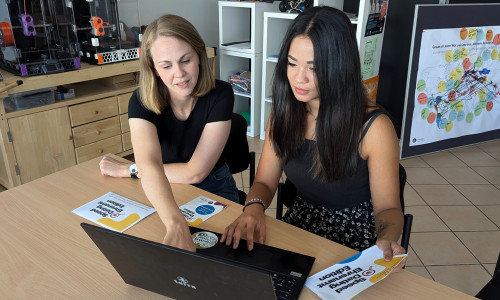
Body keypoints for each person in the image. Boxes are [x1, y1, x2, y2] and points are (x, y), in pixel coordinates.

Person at [221, 6, 406, 268]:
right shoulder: (283, 115)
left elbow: (388, 209)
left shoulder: (374, 128)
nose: (299, 77)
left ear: (339, 67)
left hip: (354, 239)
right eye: (292, 63)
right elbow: (264, 180)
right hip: (302, 225)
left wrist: (387, 238)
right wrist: (253, 208)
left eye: (314, 68)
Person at [99, 14, 239, 251]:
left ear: (200, 56)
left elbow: (195, 173)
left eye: (186, 60)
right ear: (153, 69)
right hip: (166, 190)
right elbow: (150, 166)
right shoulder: (140, 100)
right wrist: (175, 223)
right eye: (166, 66)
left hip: (214, 189)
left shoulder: (221, 93)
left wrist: (129, 169)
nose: (179, 74)